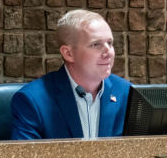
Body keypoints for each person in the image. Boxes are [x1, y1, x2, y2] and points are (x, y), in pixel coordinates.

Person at [11, 9, 131, 139]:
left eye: (110, 43)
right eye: (96, 44)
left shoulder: (126, 92)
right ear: (68, 53)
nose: (109, 52)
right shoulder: (32, 100)